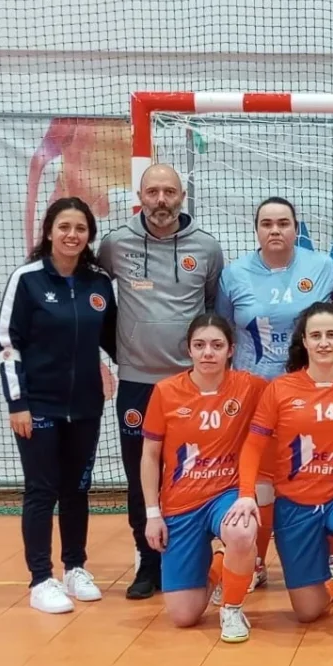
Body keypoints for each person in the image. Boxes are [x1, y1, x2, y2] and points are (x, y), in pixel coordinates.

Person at [96, 163, 226, 600]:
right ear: (140, 194)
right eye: (152, 192)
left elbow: (210, 307)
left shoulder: (206, 248)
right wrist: (116, 351)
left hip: (191, 385)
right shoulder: (115, 244)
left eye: (169, 191)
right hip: (137, 382)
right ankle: (146, 564)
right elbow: (95, 298)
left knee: (192, 472)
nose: (161, 201)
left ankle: (194, 560)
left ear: (182, 196)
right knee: (141, 473)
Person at [236, 303, 333, 649]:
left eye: (331, 335)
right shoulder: (280, 389)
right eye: (316, 335)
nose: (323, 343)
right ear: (303, 341)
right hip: (294, 504)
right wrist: (246, 493)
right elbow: (253, 446)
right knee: (307, 611)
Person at [219, 196, 333, 587]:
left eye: (283, 223)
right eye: (267, 224)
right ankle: (255, 563)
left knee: (320, 469)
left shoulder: (324, 267)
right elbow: (225, 331)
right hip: (256, 391)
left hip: (314, 393)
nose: (275, 230)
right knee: (261, 480)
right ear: (256, 230)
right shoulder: (234, 275)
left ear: (296, 228)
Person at [0, 195, 118, 614]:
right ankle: (40, 579)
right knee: (41, 490)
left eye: (81, 229)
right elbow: (7, 345)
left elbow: (114, 339)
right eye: (64, 227)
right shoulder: (27, 279)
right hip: (39, 406)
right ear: (49, 231)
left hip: (85, 407)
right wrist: (18, 402)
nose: (72, 235)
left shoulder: (98, 283)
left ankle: (75, 567)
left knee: (78, 490)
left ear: (89, 236)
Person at [138, 312, 263, 639]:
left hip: (226, 495)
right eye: (200, 345)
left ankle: (232, 610)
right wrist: (153, 514)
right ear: (189, 350)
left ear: (230, 350)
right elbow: (150, 456)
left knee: (242, 530)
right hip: (182, 503)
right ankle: (220, 562)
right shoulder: (166, 392)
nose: (208, 352)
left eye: (217, 345)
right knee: (184, 616)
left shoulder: (248, 386)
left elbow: (294, 392)